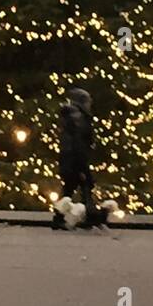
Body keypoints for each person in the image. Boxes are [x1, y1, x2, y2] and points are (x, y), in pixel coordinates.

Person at [54, 87, 97, 229]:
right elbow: (80, 141)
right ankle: (89, 216)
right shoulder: (79, 118)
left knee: (70, 188)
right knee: (84, 186)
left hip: (68, 157)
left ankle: (59, 217)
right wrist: (82, 162)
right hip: (76, 158)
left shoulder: (71, 116)